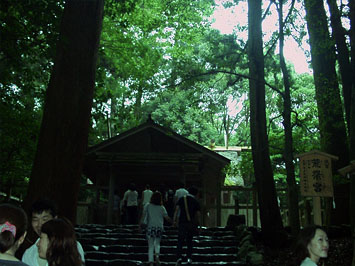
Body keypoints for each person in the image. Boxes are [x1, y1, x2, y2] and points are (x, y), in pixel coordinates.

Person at [22, 198, 85, 266]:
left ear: (55, 219)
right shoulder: (29, 253)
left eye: (44, 219)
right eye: (35, 220)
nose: (40, 224)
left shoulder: (72, 246)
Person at [140, 191, 172, 266]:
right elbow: (166, 217)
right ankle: (157, 256)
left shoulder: (148, 205)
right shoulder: (162, 207)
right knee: (157, 243)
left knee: (150, 245)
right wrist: (173, 222)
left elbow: (143, 216)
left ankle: (151, 261)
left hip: (150, 227)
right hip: (159, 227)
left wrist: (140, 225)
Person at [173, 186, 201, 265]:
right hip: (191, 223)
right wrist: (200, 226)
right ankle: (189, 258)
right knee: (189, 241)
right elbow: (198, 214)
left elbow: (177, 209)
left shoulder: (182, 199)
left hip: (182, 222)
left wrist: (174, 221)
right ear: (196, 194)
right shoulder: (195, 201)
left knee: (180, 240)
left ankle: (179, 257)